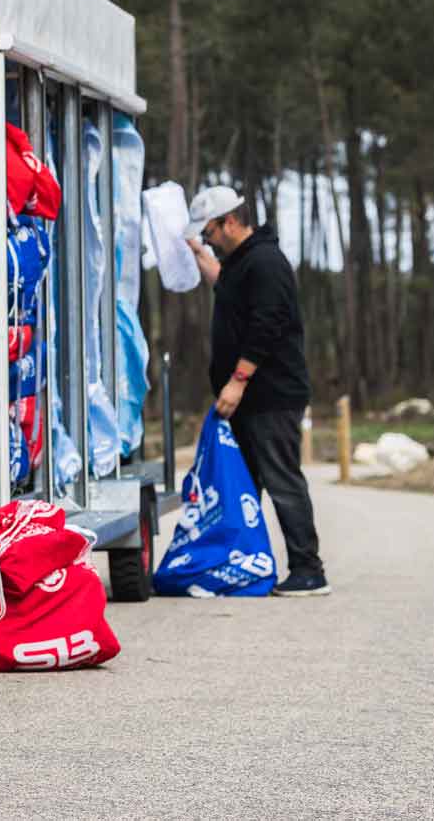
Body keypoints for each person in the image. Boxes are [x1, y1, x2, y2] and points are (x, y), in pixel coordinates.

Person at [185, 186, 331, 596]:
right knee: (246, 485)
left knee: (281, 479)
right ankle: (243, 563)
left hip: (271, 395)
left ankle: (308, 569)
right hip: (251, 399)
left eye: (210, 232)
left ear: (229, 222)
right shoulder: (241, 263)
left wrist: (238, 381)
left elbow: (267, 325)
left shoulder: (266, 262)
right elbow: (228, 288)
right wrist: (198, 256)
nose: (209, 239)